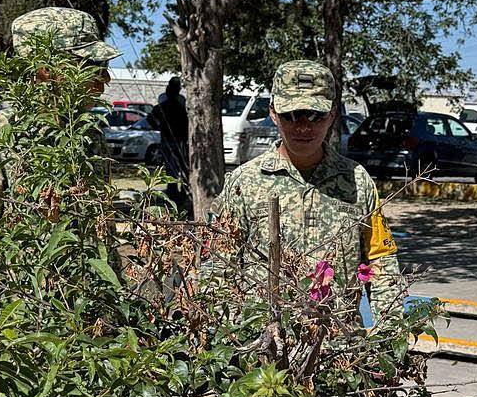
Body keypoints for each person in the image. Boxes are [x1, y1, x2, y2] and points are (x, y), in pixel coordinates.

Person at [212, 58, 401, 319]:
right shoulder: (244, 183)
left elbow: (381, 263)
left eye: (315, 115)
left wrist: (389, 336)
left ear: (332, 114)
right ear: (273, 113)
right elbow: (219, 266)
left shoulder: (357, 181)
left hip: (337, 346)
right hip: (262, 348)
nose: (303, 127)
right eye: (291, 115)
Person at [0, 7, 116, 260]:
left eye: (104, 66)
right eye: (91, 66)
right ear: (45, 71)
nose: (105, 78)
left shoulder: (90, 136)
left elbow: (101, 235)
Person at [148, 75, 190, 213]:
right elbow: (151, 118)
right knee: (174, 168)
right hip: (171, 140)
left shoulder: (179, 102)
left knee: (181, 168)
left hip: (179, 140)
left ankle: (181, 194)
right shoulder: (166, 103)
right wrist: (159, 127)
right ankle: (175, 194)